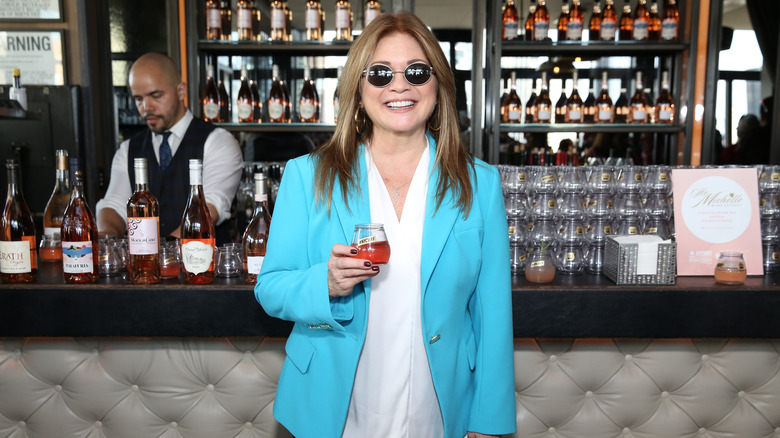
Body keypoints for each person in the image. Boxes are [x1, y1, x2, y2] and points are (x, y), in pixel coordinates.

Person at [255, 12, 516, 438]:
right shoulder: (307, 175)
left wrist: (488, 421)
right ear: (358, 92)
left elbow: (492, 316)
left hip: (438, 405)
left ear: (438, 88)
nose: (399, 86)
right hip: (333, 406)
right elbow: (271, 287)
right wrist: (327, 283)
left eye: (417, 72)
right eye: (379, 74)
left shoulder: (480, 184)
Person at [96, 52, 243, 242]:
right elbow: (114, 205)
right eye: (138, 99)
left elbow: (210, 207)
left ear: (181, 91)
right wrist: (107, 236)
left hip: (208, 266)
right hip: (146, 269)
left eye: (155, 96)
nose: (147, 107)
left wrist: (163, 253)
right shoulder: (128, 149)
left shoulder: (218, 142)